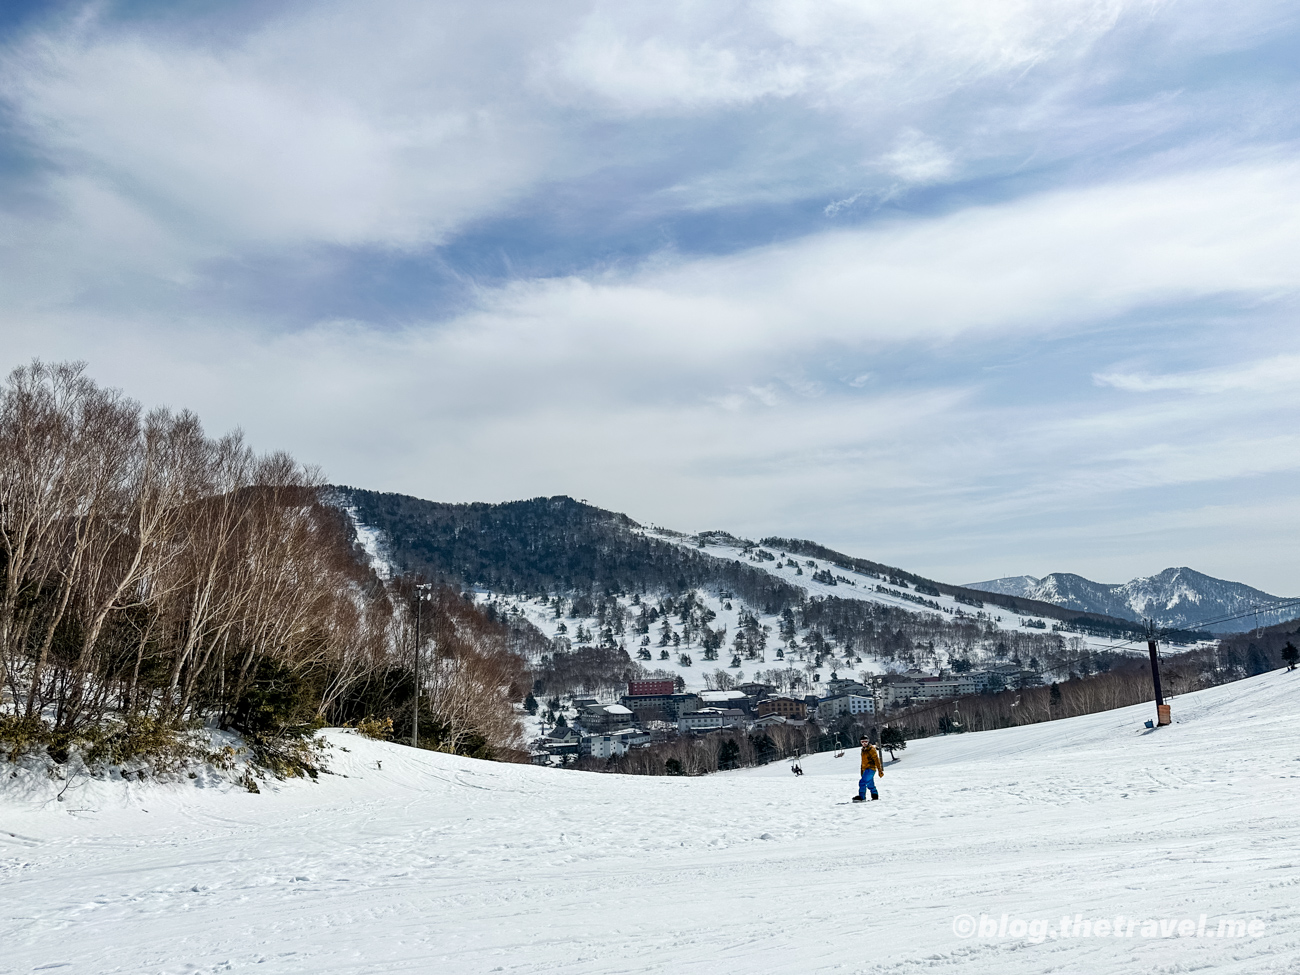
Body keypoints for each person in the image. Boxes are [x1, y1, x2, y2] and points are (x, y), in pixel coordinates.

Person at [853, 735, 883, 801]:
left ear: (868, 742)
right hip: (865, 769)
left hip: (871, 768)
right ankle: (875, 796)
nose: (864, 743)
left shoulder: (871, 749)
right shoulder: (863, 750)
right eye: (862, 742)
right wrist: (862, 771)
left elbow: (876, 760)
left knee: (862, 782)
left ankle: (862, 797)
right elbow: (863, 761)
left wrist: (880, 770)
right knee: (870, 783)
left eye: (865, 742)